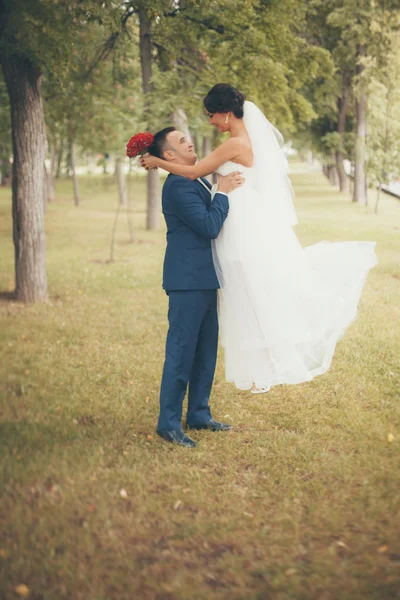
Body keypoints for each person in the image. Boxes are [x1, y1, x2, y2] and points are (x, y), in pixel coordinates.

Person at [142, 84, 378, 395]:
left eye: (211, 115)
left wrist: (157, 162)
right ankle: (263, 360)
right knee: (251, 290)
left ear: (226, 114)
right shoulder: (242, 140)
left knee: (252, 290)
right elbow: (211, 174)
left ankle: (266, 358)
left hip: (240, 221)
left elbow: (195, 171)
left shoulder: (235, 143)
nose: (210, 121)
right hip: (240, 213)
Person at [149, 127, 244, 448]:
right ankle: (169, 422)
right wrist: (223, 193)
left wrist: (218, 184)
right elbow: (208, 226)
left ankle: (199, 413)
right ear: (169, 157)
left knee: (205, 350)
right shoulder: (177, 186)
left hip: (205, 278)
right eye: (181, 141)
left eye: (188, 137)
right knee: (181, 352)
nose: (190, 142)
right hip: (187, 280)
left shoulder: (194, 176)